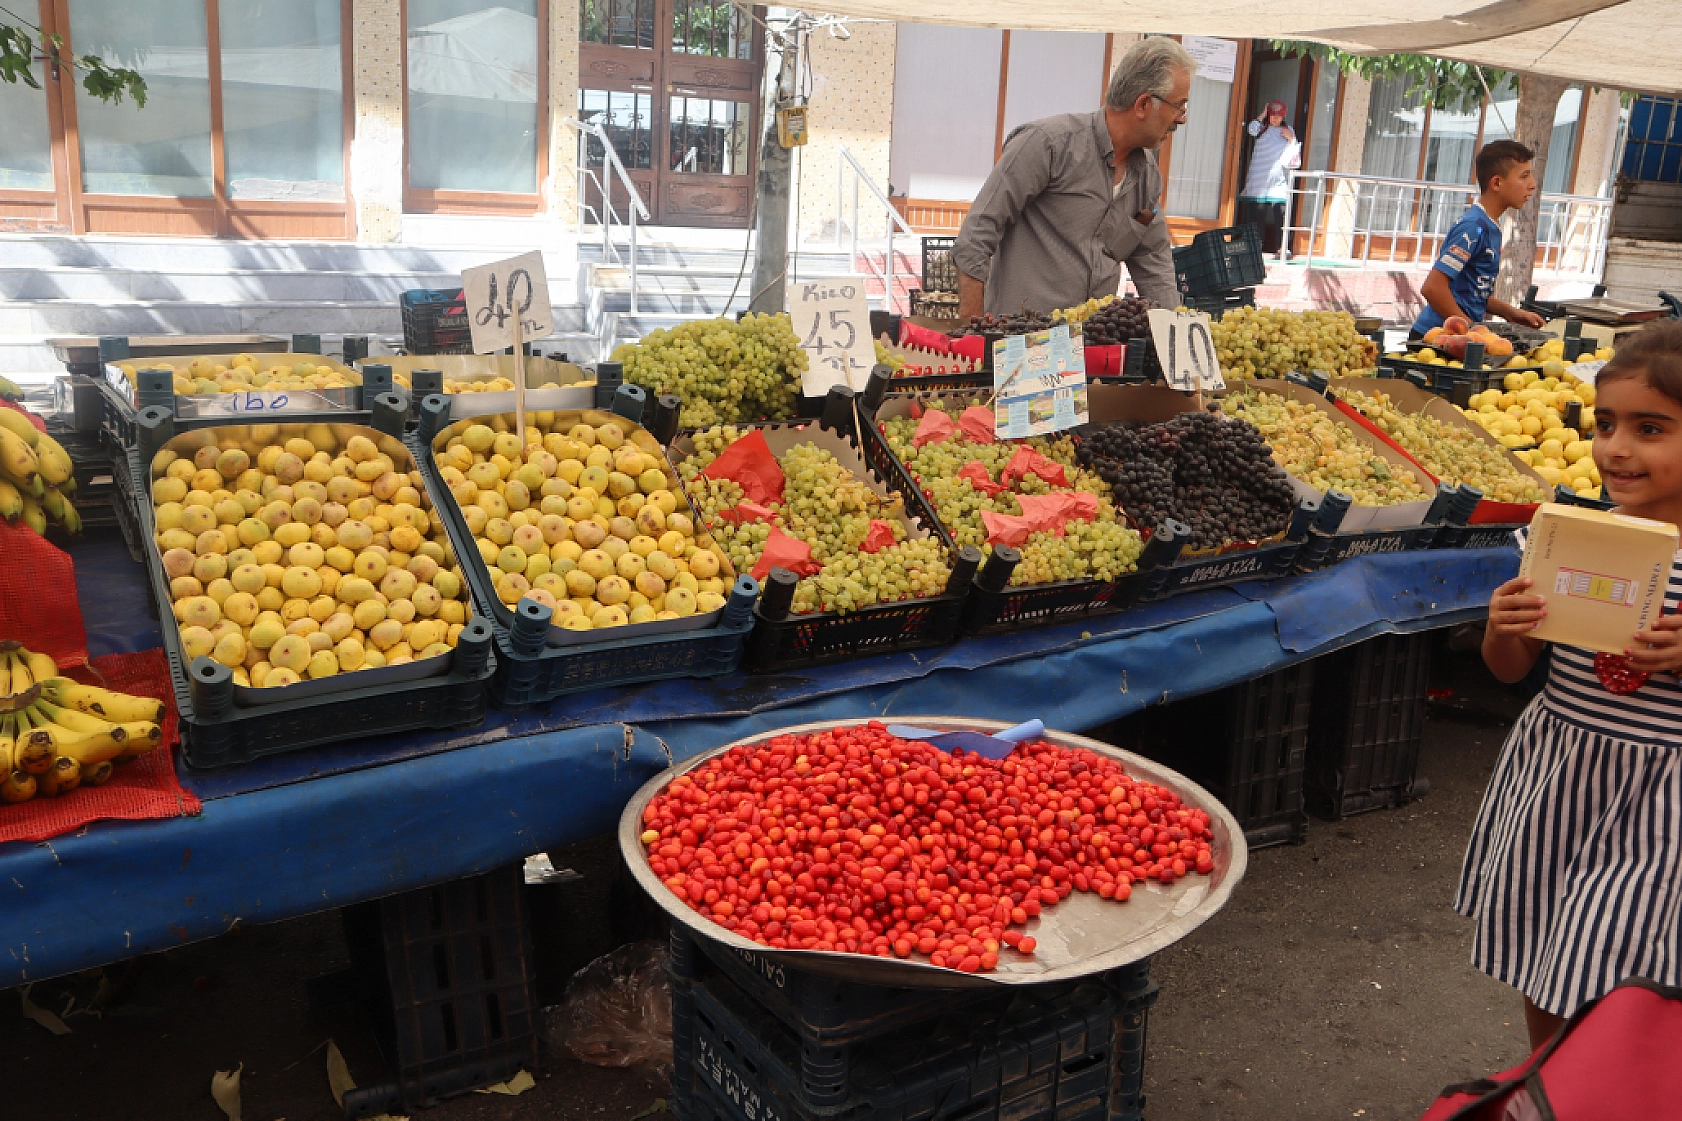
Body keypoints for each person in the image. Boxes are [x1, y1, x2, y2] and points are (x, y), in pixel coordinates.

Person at [1461, 318, 1682, 1052]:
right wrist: (1506, 626)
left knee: (1622, 970)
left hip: (1659, 808)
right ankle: (1550, 1081)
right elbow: (1510, 669)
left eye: (1651, 428)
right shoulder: (1568, 538)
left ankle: (1609, 1089)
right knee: (1548, 951)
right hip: (1563, 781)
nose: (1617, 448)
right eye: (1607, 423)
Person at [952, 36, 1190, 319]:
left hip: (1091, 346)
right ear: (1143, 105)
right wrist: (972, 332)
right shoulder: (1047, 144)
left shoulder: (1147, 175)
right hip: (1019, 345)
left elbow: (1154, 264)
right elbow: (976, 235)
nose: (1182, 118)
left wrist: (1178, 337)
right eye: (1180, 105)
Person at [1410, 139, 1547, 338]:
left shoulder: (1491, 225)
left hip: (1455, 337)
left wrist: (1511, 313)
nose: (1532, 185)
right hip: (1434, 339)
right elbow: (1433, 288)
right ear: (1497, 183)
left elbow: (1473, 292)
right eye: (1524, 176)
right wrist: (1472, 331)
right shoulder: (1474, 227)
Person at [1238, 100, 1299, 256]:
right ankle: (1256, 246)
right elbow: (1251, 129)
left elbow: (1294, 157)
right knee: (1258, 214)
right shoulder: (1262, 128)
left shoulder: (1288, 130)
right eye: (1272, 115)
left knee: (1281, 213)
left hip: (1278, 181)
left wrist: (1291, 139)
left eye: (1278, 116)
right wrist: (1263, 114)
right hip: (1259, 179)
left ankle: (1282, 247)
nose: (1275, 119)